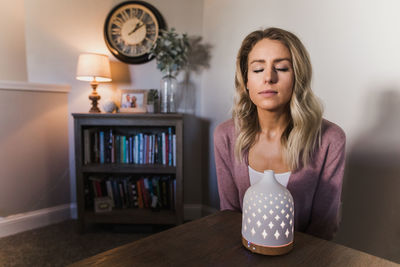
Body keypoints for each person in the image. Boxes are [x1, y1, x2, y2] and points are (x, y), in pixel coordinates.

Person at [213, 27, 346, 240]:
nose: (269, 77)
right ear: (246, 81)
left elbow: (323, 227)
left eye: (282, 68)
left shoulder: (330, 139)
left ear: (298, 77)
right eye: (257, 70)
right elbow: (229, 216)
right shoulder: (225, 135)